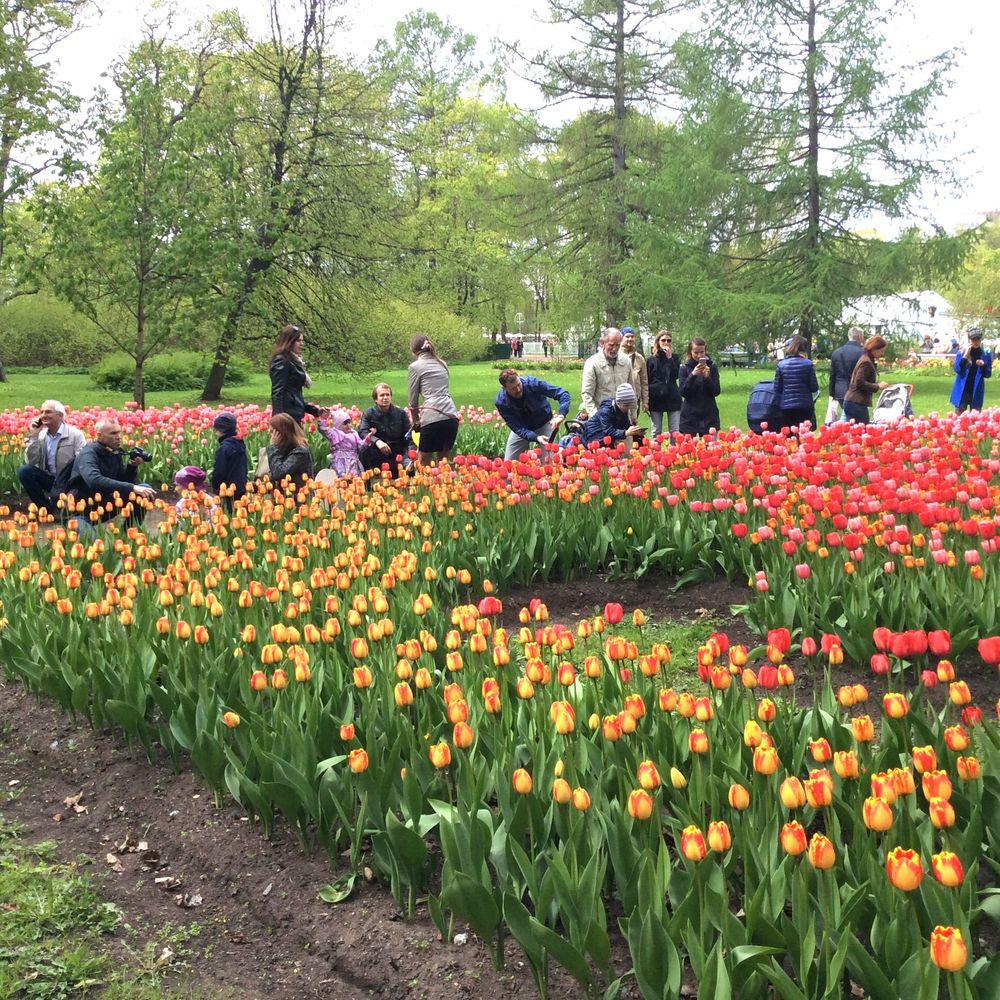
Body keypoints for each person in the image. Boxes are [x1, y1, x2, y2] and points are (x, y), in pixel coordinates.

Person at [58, 418, 155, 525]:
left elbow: (121, 481)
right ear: (99, 435)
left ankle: (129, 534)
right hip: (81, 509)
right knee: (91, 539)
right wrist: (133, 487)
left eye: (119, 432)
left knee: (145, 491)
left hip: (104, 503)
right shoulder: (88, 454)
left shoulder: (113, 451)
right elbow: (94, 480)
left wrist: (131, 466)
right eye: (113, 433)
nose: (118, 437)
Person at [17, 400, 86, 510]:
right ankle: (46, 509)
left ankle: (68, 506)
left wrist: (73, 487)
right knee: (24, 471)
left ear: (60, 416)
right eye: (42, 412)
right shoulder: (41, 435)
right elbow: (31, 461)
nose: (43, 415)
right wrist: (34, 437)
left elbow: (82, 463)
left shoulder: (75, 435)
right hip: (50, 480)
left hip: (69, 481)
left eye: (48, 412)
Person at [495, 368, 571, 460]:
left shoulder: (533, 383)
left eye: (519, 384)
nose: (518, 389)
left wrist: (561, 415)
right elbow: (516, 426)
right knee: (508, 462)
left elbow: (563, 394)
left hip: (545, 423)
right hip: (522, 428)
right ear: (504, 388)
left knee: (550, 462)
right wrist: (535, 437)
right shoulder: (501, 402)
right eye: (513, 388)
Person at [407, 334, 459, 466]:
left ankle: (424, 487)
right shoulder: (442, 363)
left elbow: (413, 402)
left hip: (432, 417)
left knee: (424, 464)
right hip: (451, 416)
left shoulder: (415, 367)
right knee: (443, 464)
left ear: (414, 351)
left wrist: (416, 422)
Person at [269, 324, 328, 425]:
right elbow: (278, 392)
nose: (301, 344)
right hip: (287, 420)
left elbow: (294, 395)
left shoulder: (294, 362)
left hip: (295, 417)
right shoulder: (282, 361)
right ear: (289, 342)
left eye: (302, 340)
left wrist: (315, 410)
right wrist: (279, 420)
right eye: (298, 341)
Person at [358, 383, 411, 478]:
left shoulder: (401, 414)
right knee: (364, 453)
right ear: (375, 399)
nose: (385, 398)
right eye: (382, 395)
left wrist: (411, 453)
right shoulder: (368, 414)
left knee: (411, 467)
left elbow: (408, 435)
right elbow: (363, 432)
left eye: (388, 395)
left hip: (397, 451)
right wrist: (377, 441)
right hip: (376, 451)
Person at [580, 328, 631, 417]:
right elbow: (587, 393)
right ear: (602, 343)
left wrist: (633, 415)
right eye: (611, 345)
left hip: (622, 416)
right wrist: (595, 415)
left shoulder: (626, 361)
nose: (614, 349)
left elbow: (631, 390)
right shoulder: (592, 363)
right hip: (601, 414)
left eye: (617, 345)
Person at [773, 335, 819, 431]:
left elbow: (777, 388)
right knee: (805, 436)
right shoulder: (808, 364)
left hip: (786, 406)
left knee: (790, 436)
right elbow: (814, 387)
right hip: (804, 405)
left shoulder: (781, 365)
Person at [678, 339, 721, 437]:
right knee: (688, 449)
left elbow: (716, 391)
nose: (699, 355)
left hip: (709, 414)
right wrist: (692, 375)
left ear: (705, 351)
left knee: (710, 449)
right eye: (696, 352)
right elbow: (683, 391)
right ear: (690, 352)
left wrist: (707, 378)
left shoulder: (712, 366)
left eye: (702, 352)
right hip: (689, 415)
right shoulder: (684, 368)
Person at [580, 384, 645, 448]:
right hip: (593, 438)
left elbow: (625, 424)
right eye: (626, 405)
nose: (628, 408)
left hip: (606, 440)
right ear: (619, 402)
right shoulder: (606, 410)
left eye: (630, 405)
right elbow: (608, 431)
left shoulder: (621, 408)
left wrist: (635, 432)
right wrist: (626, 433)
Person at [843, 336, 888, 424]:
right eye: (881, 351)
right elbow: (859, 382)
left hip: (852, 401)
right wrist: (877, 386)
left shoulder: (866, 359)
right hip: (856, 402)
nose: (882, 354)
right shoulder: (866, 362)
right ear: (874, 349)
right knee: (862, 431)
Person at [825, 327, 865, 424]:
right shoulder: (862, 353)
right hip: (856, 391)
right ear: (859, 337)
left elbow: (833, 375)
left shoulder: (836, 352)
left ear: (849, 336)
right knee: (857, 421)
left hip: (840, 391)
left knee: (848, 415)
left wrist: (832, 394)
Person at [646, 330, 681, 436]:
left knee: (675, 430)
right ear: (658, 342)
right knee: (656, 431)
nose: (666, 342)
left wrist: (670, 358)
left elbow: (676, 375)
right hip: (656, 398)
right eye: (663, 340)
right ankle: (655, 452)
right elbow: (646, 380)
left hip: (672, 397)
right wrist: (646, 400)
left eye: (668, 340)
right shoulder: (651, 360)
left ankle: (675, 451)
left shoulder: (674, 358)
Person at [262, 412, 314, 484]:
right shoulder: (282, 449)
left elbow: (279, 473)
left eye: (271, 432)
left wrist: (273, 447)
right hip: (284, 493)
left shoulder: (300, 452)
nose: (269, 434)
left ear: (281, 433)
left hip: (298, 493)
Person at [950, 328, 993, 413]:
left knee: (975, 419)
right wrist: (965, 357)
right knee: (960, 418)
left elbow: (988, 374)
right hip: (963, 390)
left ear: (981, 339)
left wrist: (983, 366)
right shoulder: (961, 352)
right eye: (973, 339)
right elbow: (957, 369)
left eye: (978, 339)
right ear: (969, 340)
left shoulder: (985, 354)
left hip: (976, 390)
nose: (976, 341)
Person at [320, 409, 373, 476]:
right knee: (341, 480)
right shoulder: (335, 434)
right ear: (338, 424)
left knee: (353, 480)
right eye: (345, 423)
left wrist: (367, 440)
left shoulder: (354, 434)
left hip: (353, 463)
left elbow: (360, 447)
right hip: (339, 462)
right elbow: (323, 429)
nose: (348, 425)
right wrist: (323, 418)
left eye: (349, 422)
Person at [211, 411, 248, 506]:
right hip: (240, 487)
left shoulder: (224, 448)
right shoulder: (240, 444)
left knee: (228, 513)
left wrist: (215, 486)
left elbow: (219, 471)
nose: (215, 433)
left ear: (221, 430)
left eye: (216, 430)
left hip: (227, 489)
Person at [621, 327, 649, 422]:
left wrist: (645, 401)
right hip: (619, 398)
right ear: (622, 338)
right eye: (627, 336)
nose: (630, 339)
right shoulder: (617, 355)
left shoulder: (639, 358)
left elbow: (644, 381)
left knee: (633, 423)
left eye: (632, 336)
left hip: (634, 398)